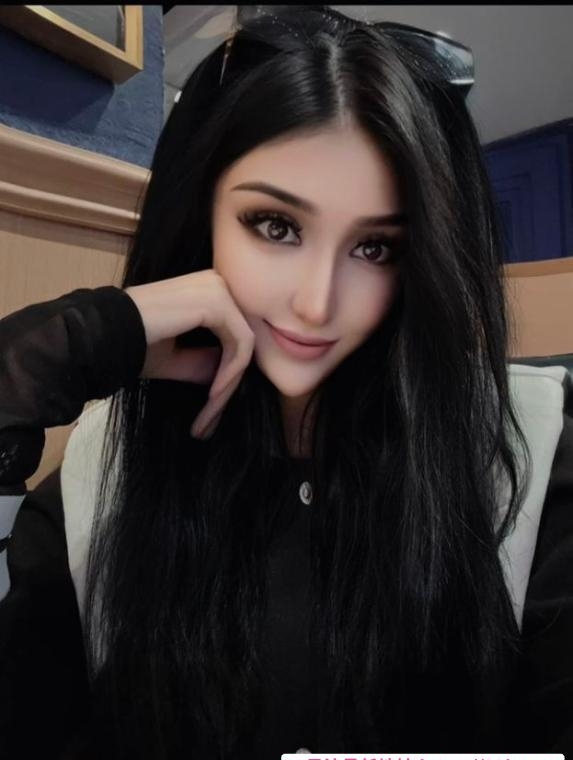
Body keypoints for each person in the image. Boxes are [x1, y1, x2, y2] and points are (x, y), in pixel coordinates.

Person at [0, 5, 572, 758]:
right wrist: (68, 345)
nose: (315, 304)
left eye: (375, 247)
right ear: (201, 212)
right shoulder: (98, 478)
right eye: (275, 226)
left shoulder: (530, 461)